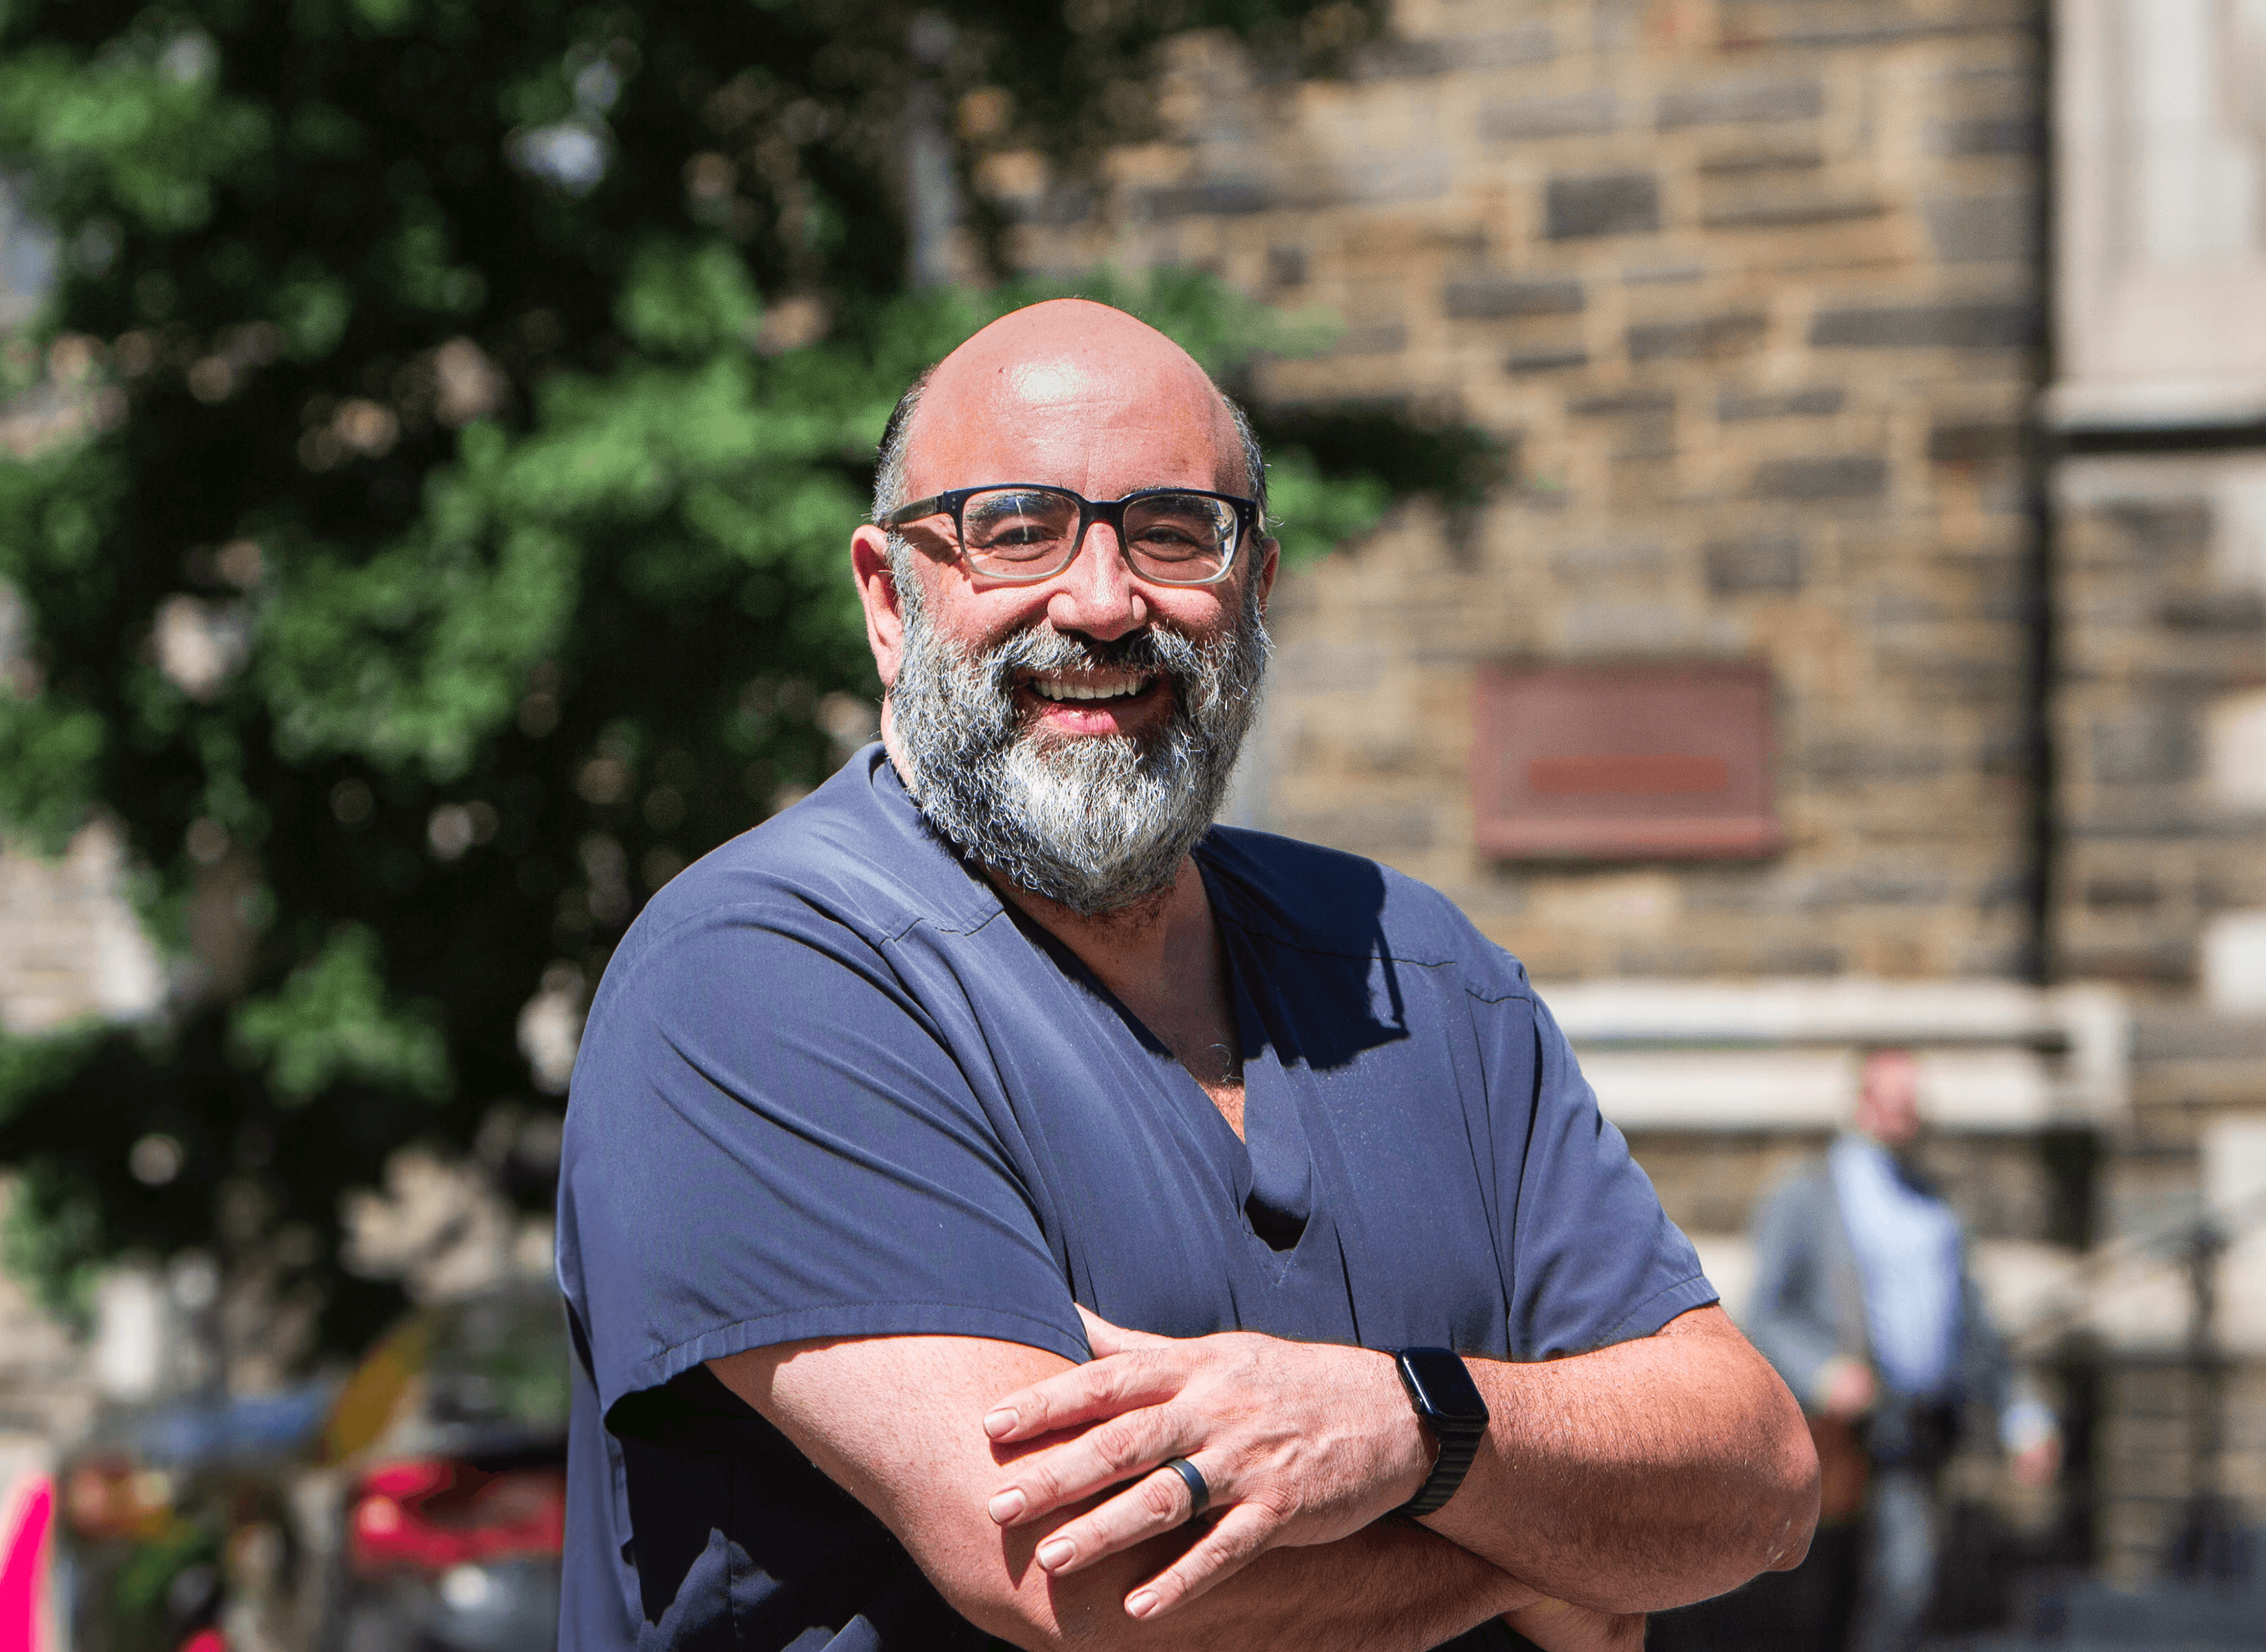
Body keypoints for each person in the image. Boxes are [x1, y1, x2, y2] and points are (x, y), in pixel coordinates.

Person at [556, 298, 1818, 1652]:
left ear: (1255, 586)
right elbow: (1078, 1574)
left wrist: (1411, 1427)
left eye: (1171, 532)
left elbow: (1759, 1478)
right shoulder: (764, 977)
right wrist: (1550, 1554)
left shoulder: (1415, 969)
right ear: (887, 595)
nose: (1102, 604)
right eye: (1015, 529)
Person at [1745, 1047, 2061, 1652]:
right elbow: (1766, 1313)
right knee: (1826, 1595)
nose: (1898, 1111)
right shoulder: (1806, 1195)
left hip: (1919, 1432)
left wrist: (2023, 1414)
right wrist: (1823, 1371)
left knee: (1907, 1583)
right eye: (1885, 1095)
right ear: (1859, 1101)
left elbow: (1976, 1326)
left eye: (1909, 1099)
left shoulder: (1936, 1207)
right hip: (1832, 1439)